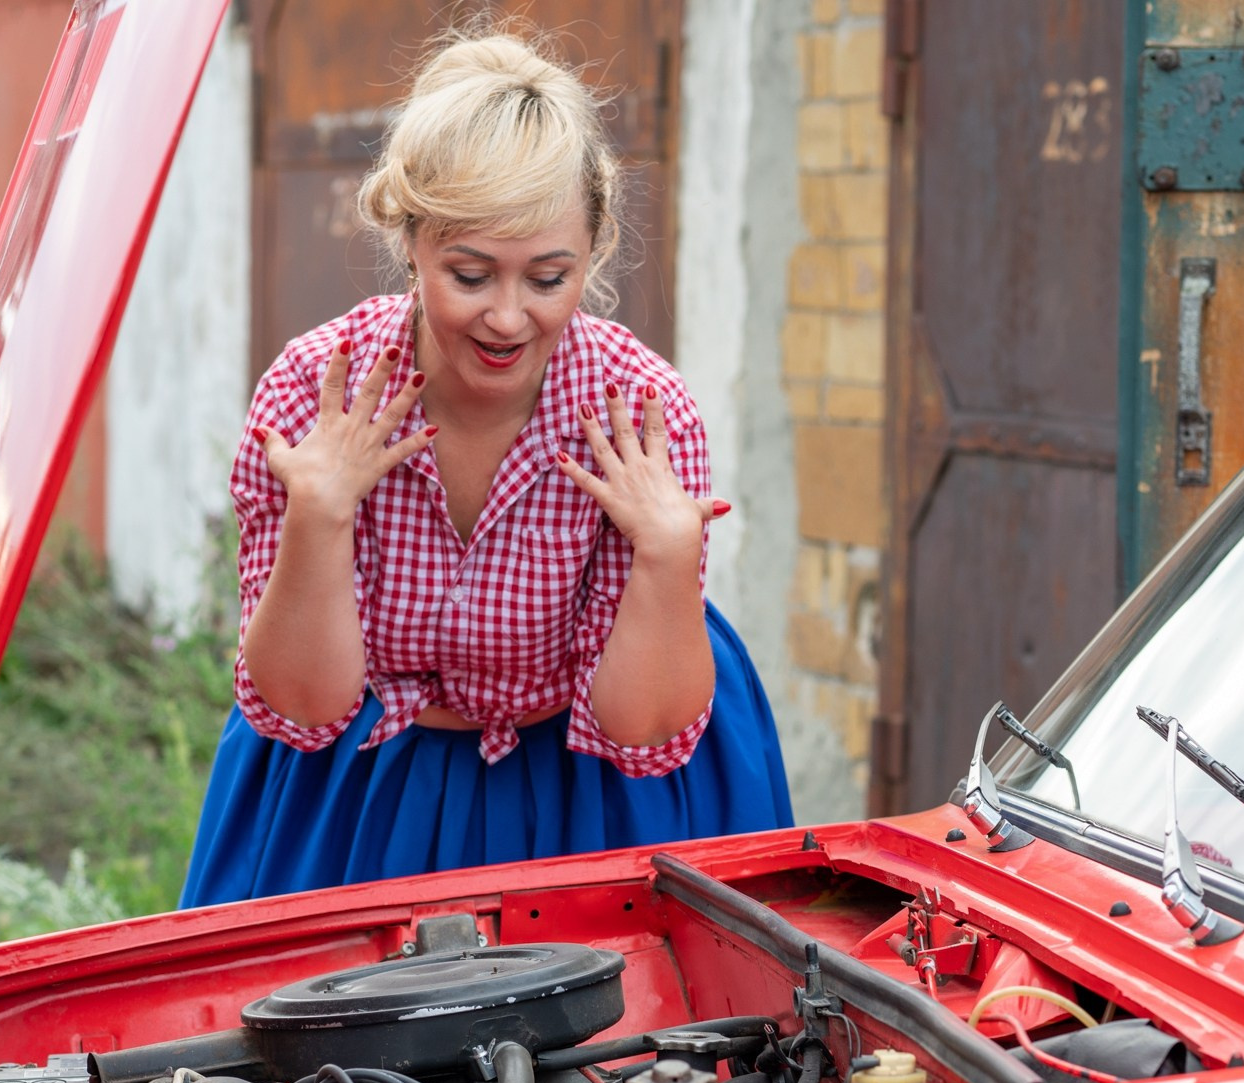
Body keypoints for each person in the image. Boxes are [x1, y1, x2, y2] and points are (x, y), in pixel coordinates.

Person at [180, 26, 792, 906]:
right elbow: (301, 709)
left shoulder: (640, 409)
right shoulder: (317, 389)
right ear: (412, 240)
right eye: (470, 274)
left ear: (595, 248)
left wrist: (663, 555)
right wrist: (319, 517)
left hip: (595, 794)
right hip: (358, 786)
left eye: (548, 278)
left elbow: (641, 733)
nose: (507, 318)